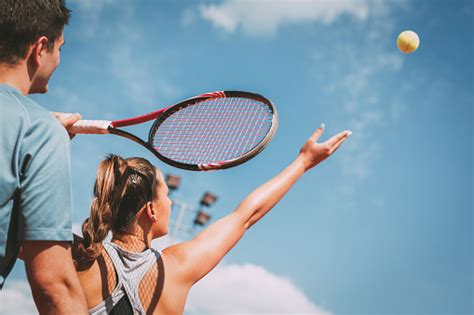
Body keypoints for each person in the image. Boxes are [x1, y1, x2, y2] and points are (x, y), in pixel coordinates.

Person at [73, 125, 351, 314]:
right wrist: (303, 162)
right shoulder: (176, 267)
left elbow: (30, 217)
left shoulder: (78, 255)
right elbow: (246, 215)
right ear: (151, 210)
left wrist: (47, 138)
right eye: (166, 196)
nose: (170, 202)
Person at [0, 0, 88, 313]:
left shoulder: (37, 130)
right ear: (40, 48)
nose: (59, 58)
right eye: (60, 48)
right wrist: (41, 139)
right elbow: (54, 286)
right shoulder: (39, 131)